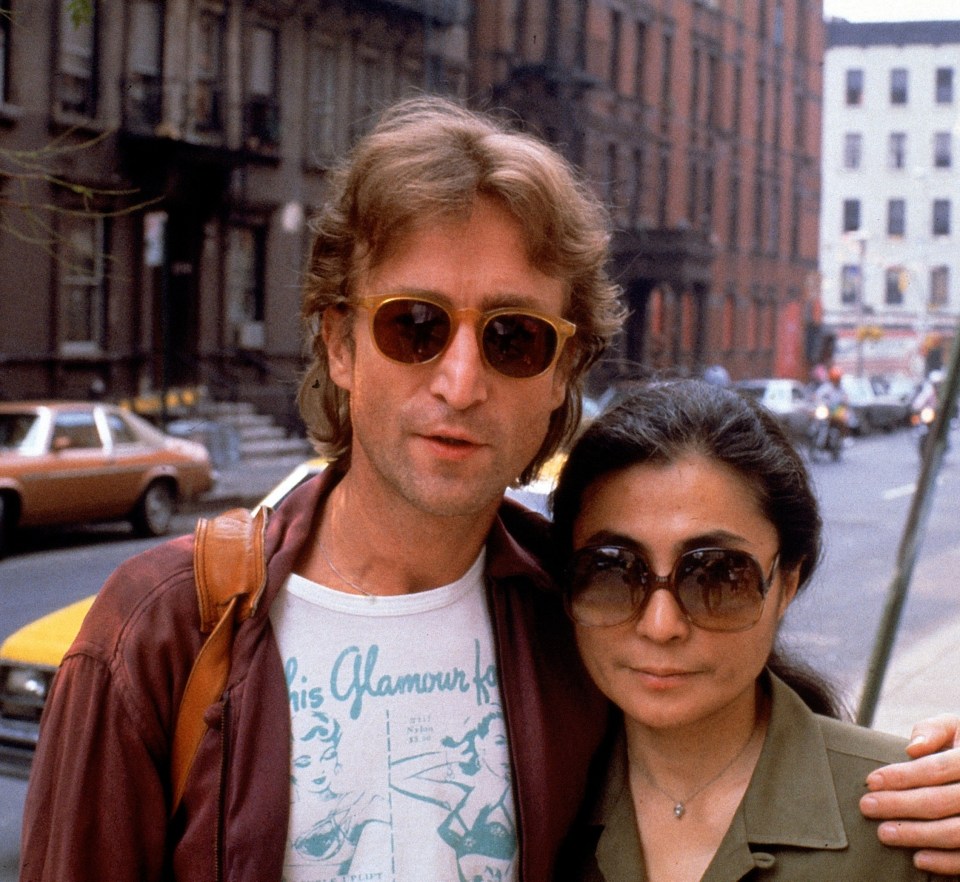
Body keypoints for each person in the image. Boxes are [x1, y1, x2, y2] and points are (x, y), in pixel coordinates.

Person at [18, 96, 960, 882]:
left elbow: (726, 750)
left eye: (512, 337)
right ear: (340, 344)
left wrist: (921, 785)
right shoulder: (162, 630)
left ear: (562, 373)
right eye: (415, 325)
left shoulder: (583, 606)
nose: (461, 382)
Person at [550, 378, 958, 881]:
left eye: (718, 574)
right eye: (612, 569)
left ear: (786, 583)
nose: (661, 625)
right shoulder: (526, 804)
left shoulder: (916, 818)